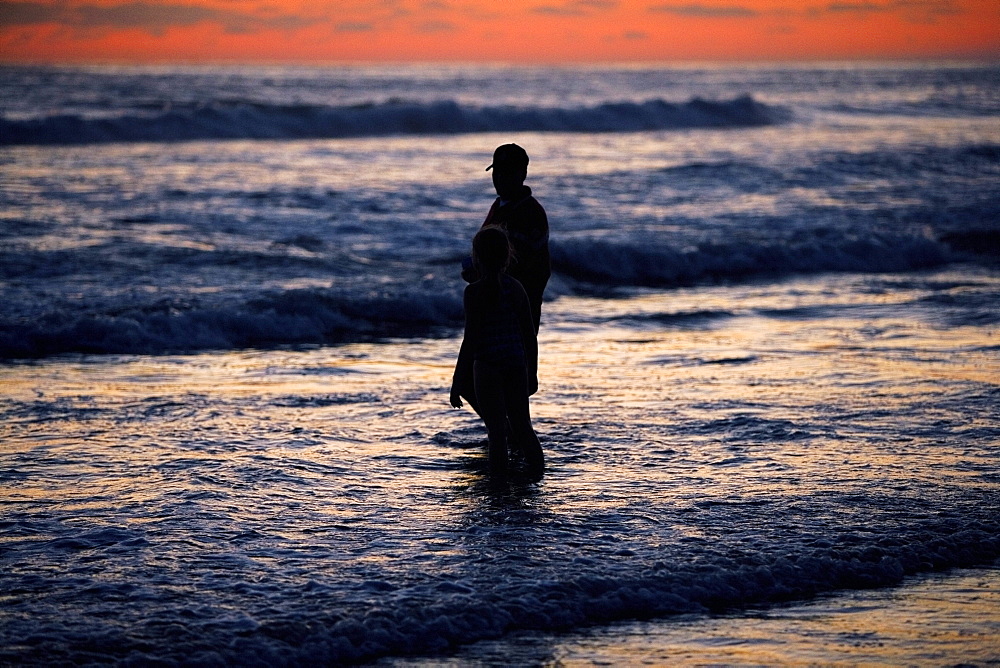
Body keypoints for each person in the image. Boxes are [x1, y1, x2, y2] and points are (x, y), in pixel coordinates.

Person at [451, 228, 545, 479]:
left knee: (496, 432)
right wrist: (532, 372)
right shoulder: (516, 288)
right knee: (522, 426)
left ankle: (499, 485)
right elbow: (529, 336)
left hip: (487, 367)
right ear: (506, 257)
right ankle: (538, 475)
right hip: (515, 365)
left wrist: (457, 381)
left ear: (477, 259)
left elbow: (470, 341)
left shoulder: (473, 292)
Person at [462, 143, 550, 334]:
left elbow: (530, 268)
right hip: (492, 308)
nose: (500, 178)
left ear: (522, 174)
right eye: (497, 172)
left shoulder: (531, 213)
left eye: (508, 172)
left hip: (517, 314)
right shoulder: (499, 206)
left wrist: (481, 276)